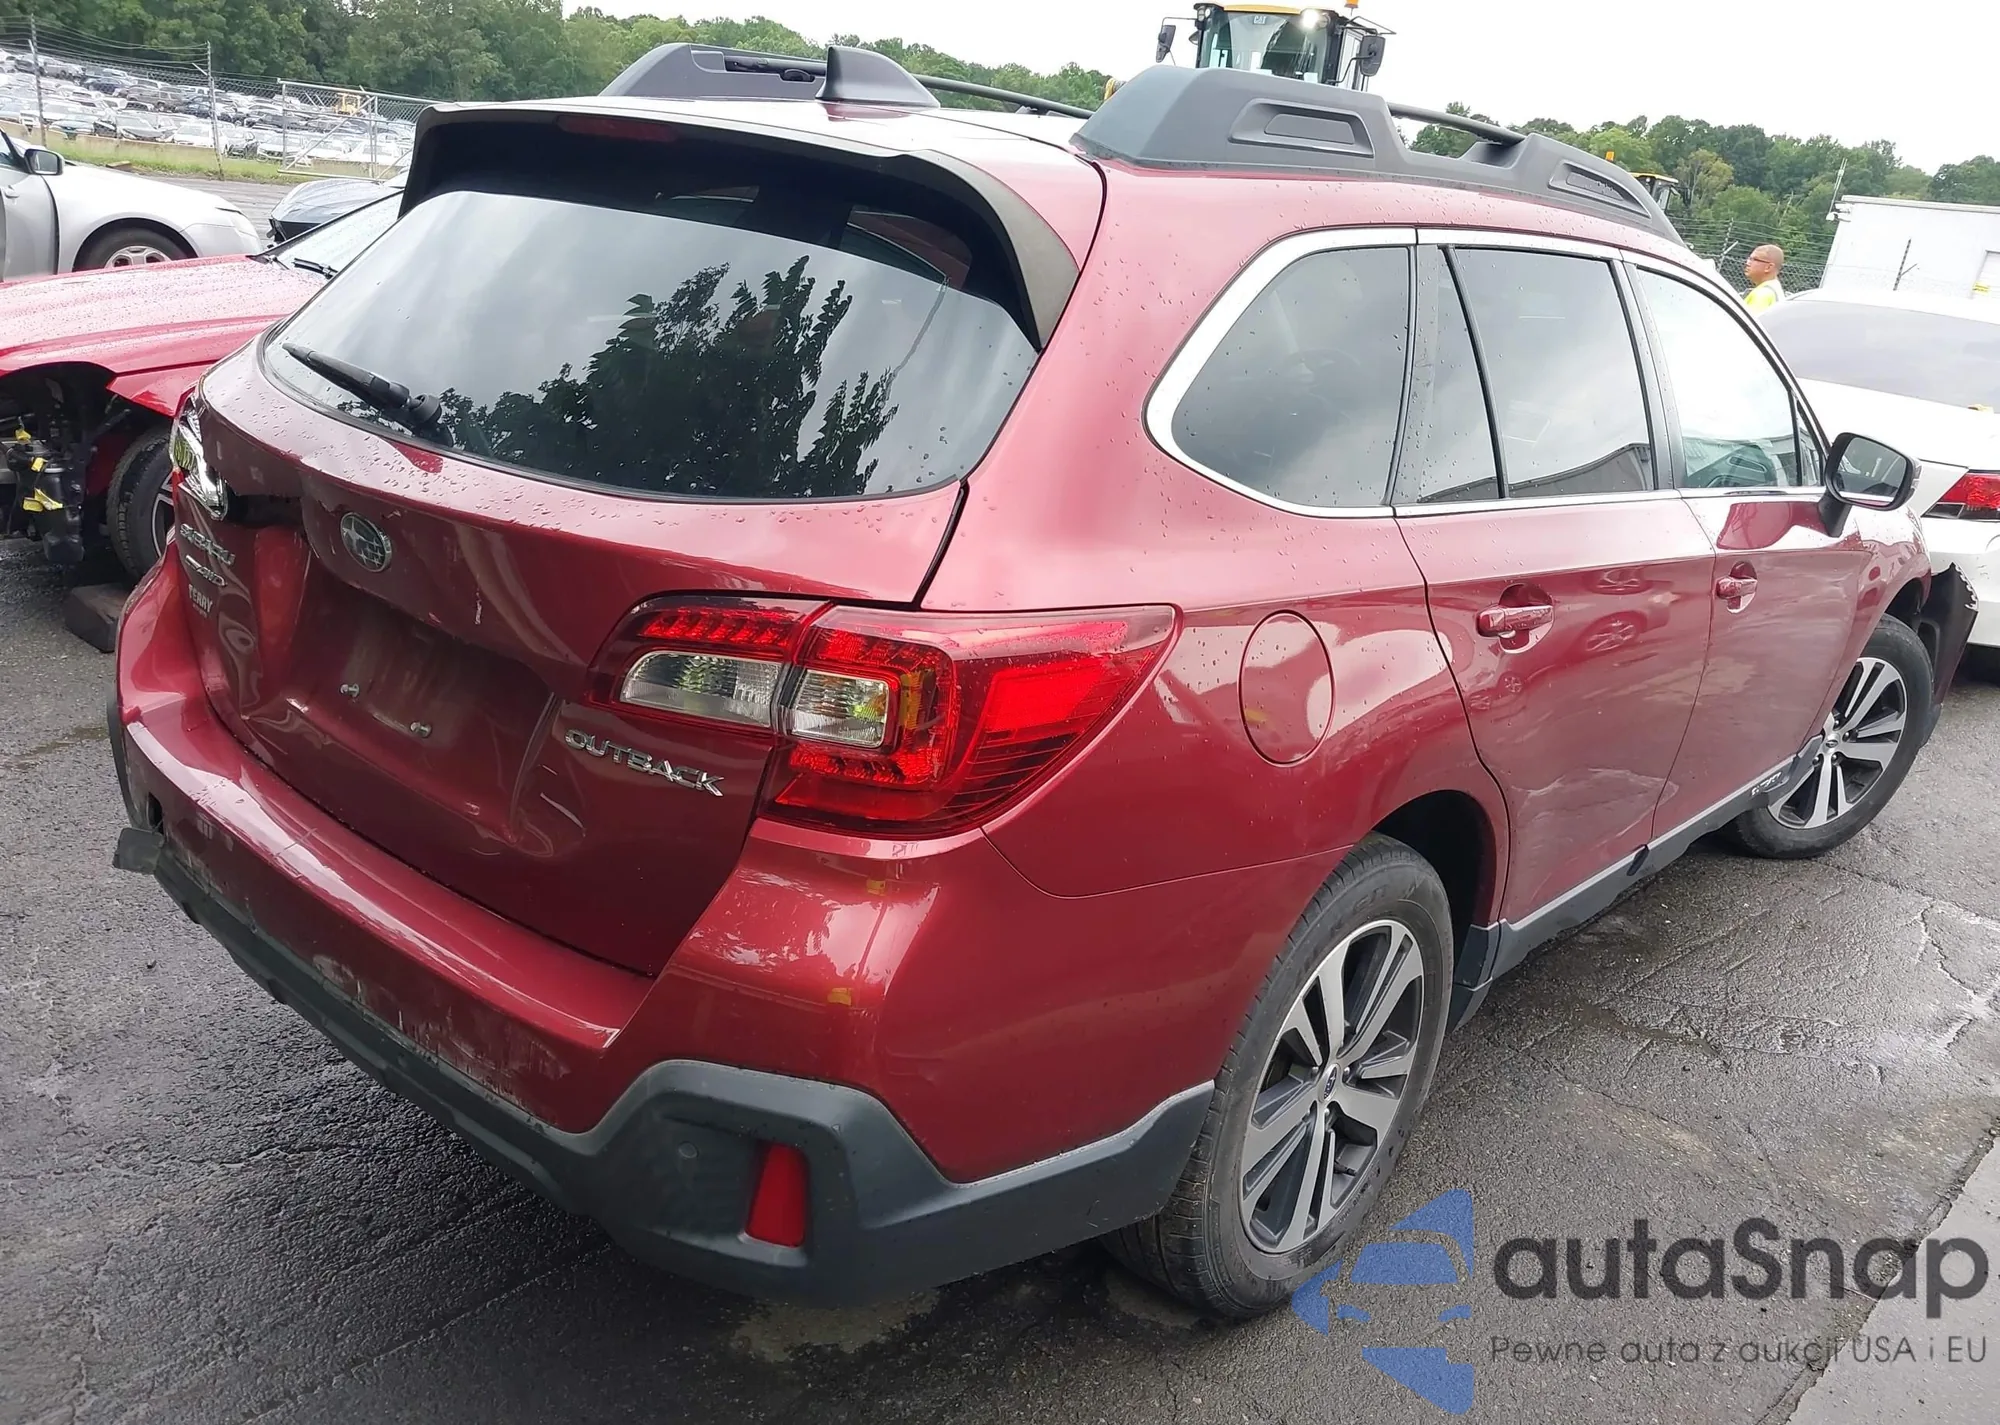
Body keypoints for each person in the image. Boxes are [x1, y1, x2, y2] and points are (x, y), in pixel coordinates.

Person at [1743, 244, 1786, 312]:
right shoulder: (1774, 288)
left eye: (1754, 259)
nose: (1747, 263)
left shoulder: (1763, 294)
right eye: (1749, 258)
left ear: (1768, 267)